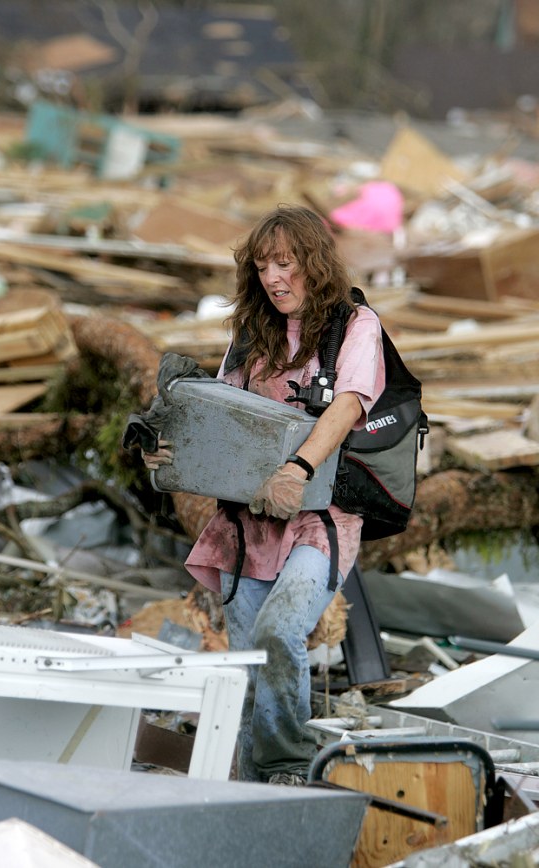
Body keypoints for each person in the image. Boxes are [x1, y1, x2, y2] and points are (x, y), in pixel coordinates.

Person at [142, 204, 385, 786]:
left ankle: (287, 768)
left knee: (281, 631)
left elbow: (351, 400)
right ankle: (250, 792)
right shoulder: (251, 334)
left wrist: (298, 466)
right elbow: (220, 417)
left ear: (314, 263)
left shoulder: (355, 327)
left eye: (286, 263)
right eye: (262, 266)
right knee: (248, 668)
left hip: (319, 522)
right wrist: (168, 452)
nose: (274, 278)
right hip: (248, 528)